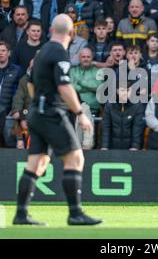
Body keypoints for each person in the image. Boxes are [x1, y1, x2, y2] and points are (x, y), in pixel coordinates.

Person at [13, 14, 102, 226]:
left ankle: (21, 214)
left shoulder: (42, 51)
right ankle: (75, 213)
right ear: (71, 34)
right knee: (75, 159)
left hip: (36, 113)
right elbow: (64, 86)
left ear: (51, 30)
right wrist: (80, 114)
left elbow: (30, 83)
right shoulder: (60, 52)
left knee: (37, 163)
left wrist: (37, 105)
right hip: (51, 114)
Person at [101, 80, 145, 150]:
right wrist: (104, 146)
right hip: (113, 147)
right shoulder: (109, 105)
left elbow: (137, 129)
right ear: (117, 91)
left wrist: (135, 147)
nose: (125, 93)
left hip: (131, 148)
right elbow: (106, 127)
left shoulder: (137, 106)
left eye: (128, 90)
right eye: (122, 90)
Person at [0, 41, 20, 145]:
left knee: (10, 141)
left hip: (9, 110)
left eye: (3, 50)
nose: (1, 53)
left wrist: (14, 109)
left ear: (9, 53)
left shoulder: (16, 70)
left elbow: (20, 92)